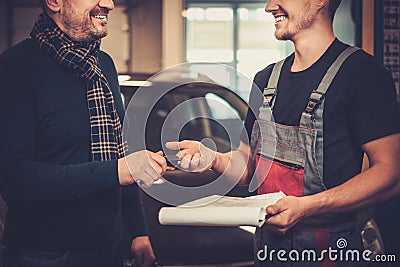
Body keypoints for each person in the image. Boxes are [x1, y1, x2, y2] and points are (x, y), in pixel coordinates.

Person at [166, 0, 400, 266]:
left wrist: (308, 206)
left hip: (331, 253)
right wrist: (214, 159)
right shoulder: (265, 80)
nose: (269, 6)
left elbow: (391, 173)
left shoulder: (362, 74)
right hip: (269, 252)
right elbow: (250, 166)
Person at [0, 0, 169, 266]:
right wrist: (116, 171)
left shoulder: (103, 65)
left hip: (109, 246)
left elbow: (120, 149)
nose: (109, 4)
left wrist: (138, 231)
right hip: (43, 255)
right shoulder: (14, 68)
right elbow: (15, 178)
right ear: (55, 2)